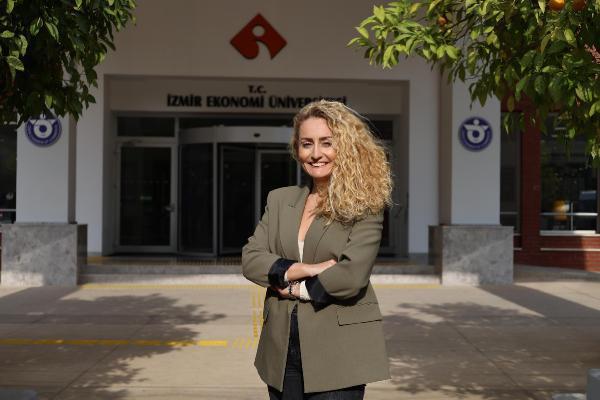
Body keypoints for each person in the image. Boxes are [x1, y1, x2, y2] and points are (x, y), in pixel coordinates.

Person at [242, 100, 392, 399]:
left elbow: (351, 276)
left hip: (339, 350)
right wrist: (307, 269)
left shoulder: (365, 205)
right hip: (281, 349)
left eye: (327, 142)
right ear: (297, 149)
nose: (315, 154)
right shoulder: (280, 199)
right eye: (306, 143)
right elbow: (251, 259)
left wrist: (293, 288)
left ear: (346, 147)